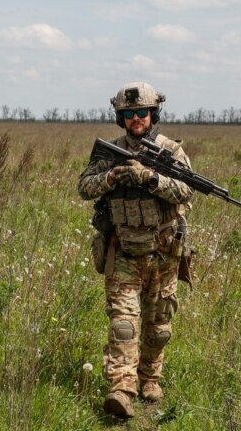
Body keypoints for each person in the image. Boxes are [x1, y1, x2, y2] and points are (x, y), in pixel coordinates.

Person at [77, 81, 193, 418]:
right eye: (128, 114)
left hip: (164, 255)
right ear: (120, 117)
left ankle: (149, 378)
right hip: (124, 254)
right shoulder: (109, 152)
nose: (135, 118)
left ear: (153, 112)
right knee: (123, 325)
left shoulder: (170, 151)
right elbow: (84, 187)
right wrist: (113, 177)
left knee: (159, 327)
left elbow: (186, 191)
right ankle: (122, 389)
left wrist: (150, 179)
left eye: (141, 112)